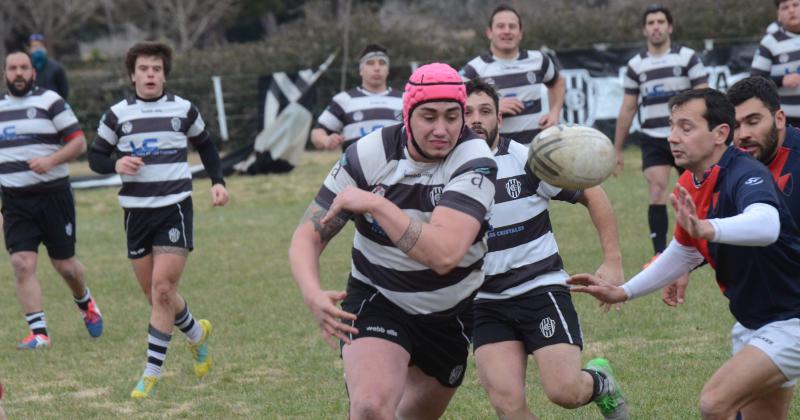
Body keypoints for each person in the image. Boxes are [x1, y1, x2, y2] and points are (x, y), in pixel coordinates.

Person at [569, 88, 800, 419]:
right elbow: (683, 251)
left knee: (714, 402)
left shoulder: (746, 173)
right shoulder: (691, 183)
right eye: (672, 126)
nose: (673, 137)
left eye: (686, 127)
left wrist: (708, 228)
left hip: (791, 322)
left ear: (720, 133)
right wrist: (623, 292)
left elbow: (766, 225)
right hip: (755, 323)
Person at [288, 63, 497, 419]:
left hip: (451, 313)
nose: (441, 130)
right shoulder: (368, 156)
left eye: (452, 117)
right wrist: (312, 293)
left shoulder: (475, 160)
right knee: (371, 407)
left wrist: (376, 203)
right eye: (428, 117)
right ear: (407, 114)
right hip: (378, 295)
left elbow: (444, 255)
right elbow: (307, 236)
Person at [464, 79, 629, 419]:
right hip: (484, 302)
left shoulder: (528, 160)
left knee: (564, 392)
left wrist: (612, 260)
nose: (475, 119)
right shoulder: (445, 172)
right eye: (466, 112)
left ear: (499, 117)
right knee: (508, 406)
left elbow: (592, 194)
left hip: (539, 289)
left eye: (484, 111)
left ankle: (600, 382)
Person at [88, 41, 229, 399]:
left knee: (163, 289)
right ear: (132, 75)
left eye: (156, 69)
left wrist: (217, 182)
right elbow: (96, 158)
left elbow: (208, 147)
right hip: (136, 213)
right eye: (144, 69)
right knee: (157, 297)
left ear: (164, 74)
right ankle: (197, 334)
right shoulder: (117, 115)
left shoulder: (183, 110)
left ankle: (150, 375)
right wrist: (116, 163)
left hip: (174, 207)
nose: (150, 75)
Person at [663, 76, 800, 306]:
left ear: (779, 118)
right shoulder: (732, 168)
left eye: (753, 121)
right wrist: (684, 266)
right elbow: (723, 226)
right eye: (736, 126)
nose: (743, 134)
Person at [0, 51, 103, 349]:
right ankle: (39, 333)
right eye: (12, 68)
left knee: (66, 266)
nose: (18, 73)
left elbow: (78, 142)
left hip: (54, 196)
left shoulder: (51, 102)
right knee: (21, 263)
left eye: (23, 68)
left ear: (33, 72)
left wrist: (50, 160)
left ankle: (86, 303)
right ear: (5, 73)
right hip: (16, 200)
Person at [614, 4, 708, 268]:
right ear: (645, 29)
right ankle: (660, 254)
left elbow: (705, 96)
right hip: (653, 137)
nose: (656, 26)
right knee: (657, 190)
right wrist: (618, 148)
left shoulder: (688, 58)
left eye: (660, 21)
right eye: (651, 22)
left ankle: (703, 247)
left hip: (687, 136)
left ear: (670, 27)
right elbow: (628, 107)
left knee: (695, 191)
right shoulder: (636, 65)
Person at [460, 4, 566, 145]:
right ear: (489, 32)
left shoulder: (539, 60)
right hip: (496, 155)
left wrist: (554, 113)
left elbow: (558, 82)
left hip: (534, 152)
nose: (507, 31)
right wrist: (492, 106)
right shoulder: (474, 69)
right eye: (500, 26)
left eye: (512, 26)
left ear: (520, 33)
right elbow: (455, 101)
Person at [310, 44, 402, 151]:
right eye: (370, 63)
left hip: (396, 167)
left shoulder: (404, 100)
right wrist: (326, 140)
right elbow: (316, 133)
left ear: (388, 70)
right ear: (361, 70)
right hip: (356, 167)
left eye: (382, 63)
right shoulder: (344, 100)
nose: (377, 68)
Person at [752, 0, 800, 128]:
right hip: (788, 122)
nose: (791, 10)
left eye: (796, 5)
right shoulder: (770, 42)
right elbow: (755, 82)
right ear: (778, 14)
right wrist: (781, 80)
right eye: (785, 7)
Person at [27, 34, 68, 100]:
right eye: (34, 46)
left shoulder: (56, 67)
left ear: (45, 48)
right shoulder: (26, 68)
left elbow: (64, 91)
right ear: (30, 49)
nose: (37, 49)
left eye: (40, 46)